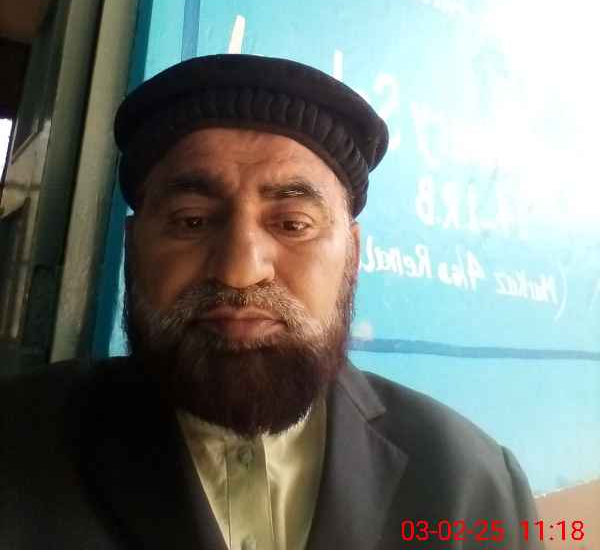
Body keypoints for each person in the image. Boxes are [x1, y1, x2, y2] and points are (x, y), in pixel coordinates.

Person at [1, 54, 542, 549]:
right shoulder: (16, 443)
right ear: (132, 248)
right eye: (192, 221)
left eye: (292, 223)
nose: (240, 269)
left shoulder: (476, 484)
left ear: (352, 255)